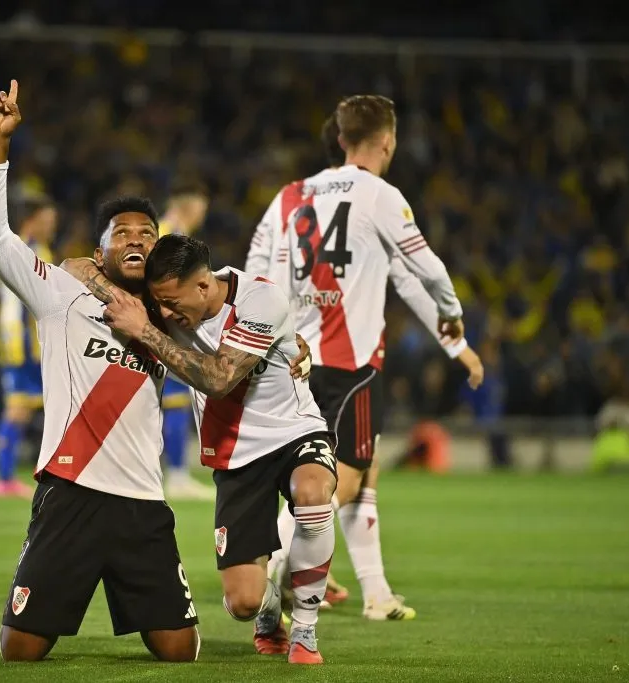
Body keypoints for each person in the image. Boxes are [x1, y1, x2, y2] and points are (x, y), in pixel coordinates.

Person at [0, 80, 199, 663]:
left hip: (141, 502)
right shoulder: (59, 293)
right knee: (19, 650)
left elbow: (232, 306)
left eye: (146, 234)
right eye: (121, 233)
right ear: (98, 251)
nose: (135, 240)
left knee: (181, 650)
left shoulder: (172, 316)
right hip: (70, 491)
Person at [247, 113, 486, 618]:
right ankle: (278, 568)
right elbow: (423, 273)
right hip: (350, 364)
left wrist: (258, 342)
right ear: (388, 140)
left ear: (337, 137)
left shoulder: (290, 196)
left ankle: (375, 593)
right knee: (343, 479)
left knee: (366, 467)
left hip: (293, 359)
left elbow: (255, 274)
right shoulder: (377, 196)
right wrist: (455, 322)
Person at [69, 235, 338, 665]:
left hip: (294, 432)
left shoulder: (260, 300)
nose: (168, 313)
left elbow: (217, 379)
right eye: (160, 304)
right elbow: (74, 267)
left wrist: (145, 332)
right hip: (235, 458)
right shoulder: (167, 303)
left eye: (174, 304)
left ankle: (305, 630)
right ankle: (270, 612)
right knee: (242, 603)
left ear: (203, 285)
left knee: (312, 494)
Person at [0, 194, 58, 498]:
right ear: (32, 220)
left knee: (31, 409)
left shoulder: (34, 248)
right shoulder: (24, 249)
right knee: (18, 409)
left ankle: (24, 473)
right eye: (47, 221)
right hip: (22, 343)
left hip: (29, 342)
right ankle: (3, 478)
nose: (51, 226)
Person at [157, 180, 212, 500]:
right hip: (169, 329)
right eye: (200, 211)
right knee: (176, 401)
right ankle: (176, 474)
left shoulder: (161, 231)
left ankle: (173, 471)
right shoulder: (172, 236)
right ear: (186, 208)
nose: (202, 218)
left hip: (162, 326)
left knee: (167, 402)